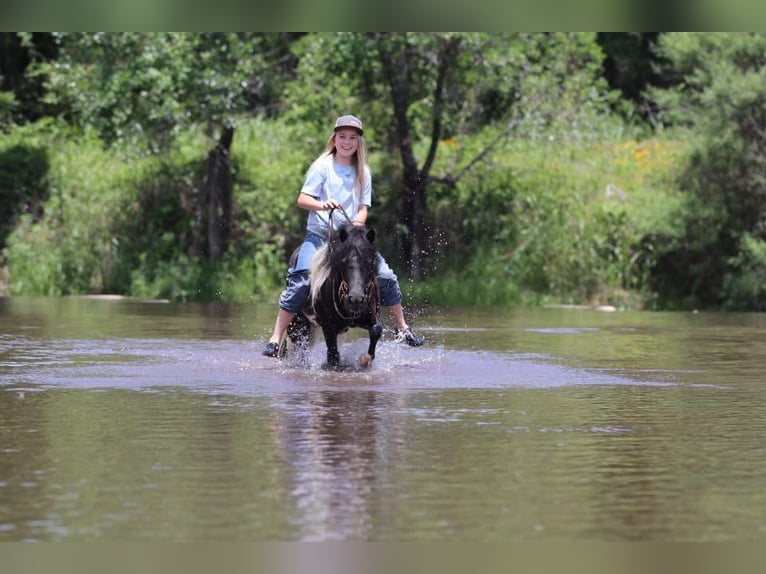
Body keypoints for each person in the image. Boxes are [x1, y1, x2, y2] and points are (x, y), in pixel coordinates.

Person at [262, 114, 425, 357]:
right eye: (342, 137)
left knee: (386, 275)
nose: (347, 142)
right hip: (320, 236)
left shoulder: (363, 172)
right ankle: (276, 338)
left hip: (351, 238)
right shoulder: (322, 166)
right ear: (334, 139)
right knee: (302, 279)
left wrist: (356, 227)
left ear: (359, 142)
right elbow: (303, 199)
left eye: (352, 137)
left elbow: (362, 210)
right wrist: (322, 205)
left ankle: (402, 328)